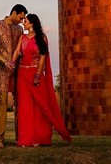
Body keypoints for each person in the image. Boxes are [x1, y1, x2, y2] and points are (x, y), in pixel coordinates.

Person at [11, 13, 72, 147]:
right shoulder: (22, 37)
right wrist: (11, 62)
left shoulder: (42, 38)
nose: (23, 23)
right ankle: (25, 139)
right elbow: (16, 52)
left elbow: (43, 56)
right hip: (22, 74)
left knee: (40, 107)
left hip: (35, 74)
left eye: (25, 21)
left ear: (32, 23)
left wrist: (38, 74)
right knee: (24, 107)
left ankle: (40, 137)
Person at [0, 4, 28, 148]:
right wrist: (4, 63)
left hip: (19, 70)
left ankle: (21, 138)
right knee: (2, 103)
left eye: (23, 19)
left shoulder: (19, 29)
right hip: (2, 70)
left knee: (20, 103)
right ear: (13, 12)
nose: (21, 21)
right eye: (20, 17)